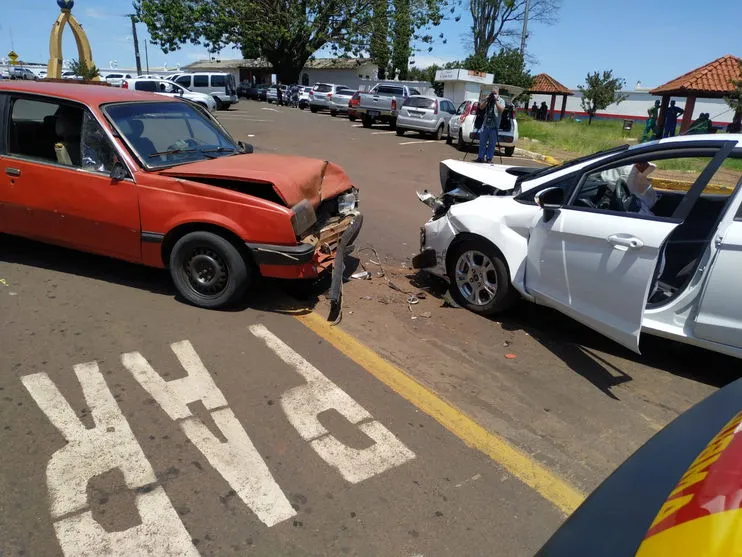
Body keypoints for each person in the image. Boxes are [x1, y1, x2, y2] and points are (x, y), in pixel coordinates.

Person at [474, 87, 505, 163]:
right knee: (482, 142)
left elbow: (501, 110)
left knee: (492, 143)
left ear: (498, 93)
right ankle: (480, 157)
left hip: (494, 126)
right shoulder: (489, 99)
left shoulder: (501, 100)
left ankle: (489, 158)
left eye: (495, 93)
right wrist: (486, 100)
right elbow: (481, 107)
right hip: (485, 124)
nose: (493, 95)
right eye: (492, 93)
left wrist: (496, 101)